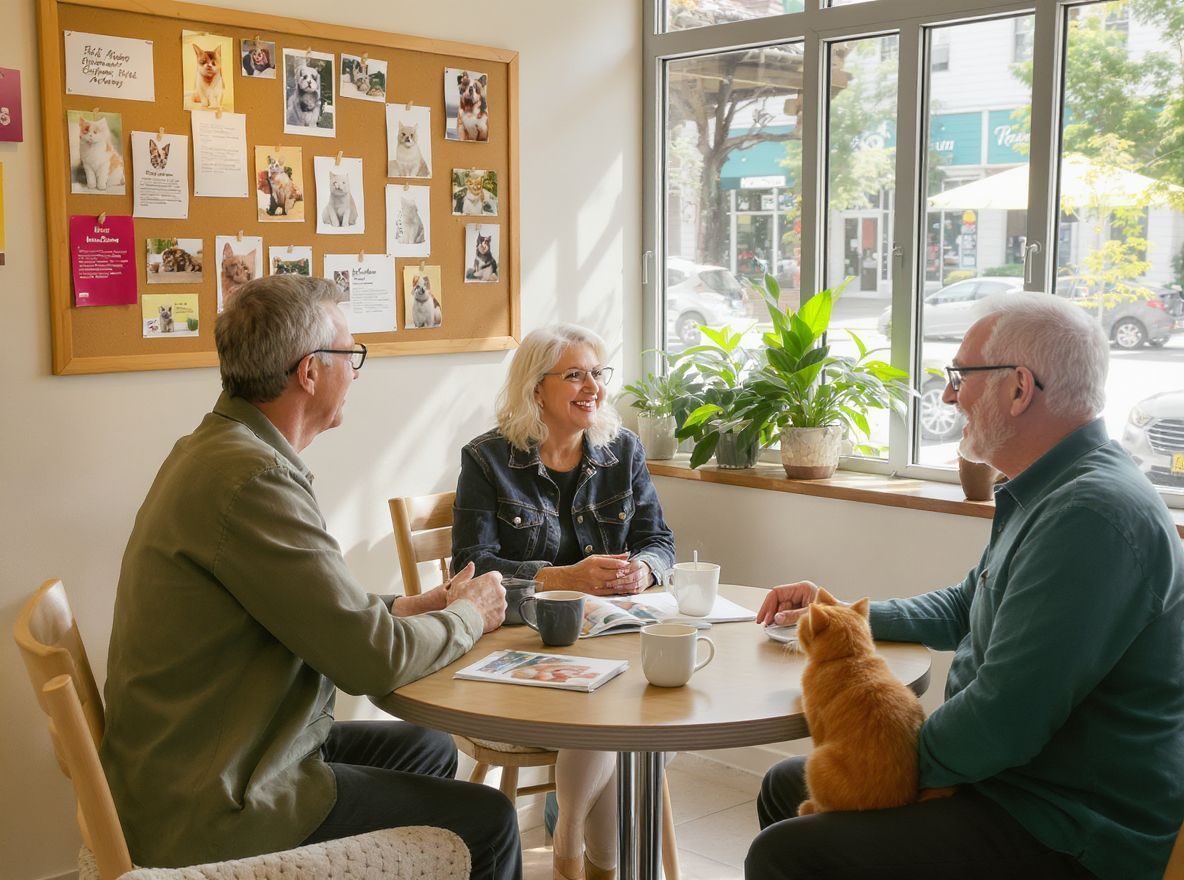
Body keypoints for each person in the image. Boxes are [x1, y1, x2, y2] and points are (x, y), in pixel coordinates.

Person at [746, 291, 1184, 880]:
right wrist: (839, 617)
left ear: (1019, 388)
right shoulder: (1055, 489)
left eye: (960, 377)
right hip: (1019, 784)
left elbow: (1002, 719)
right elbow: (966, 603)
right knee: (788, 785)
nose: (950, 396)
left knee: (788, 852)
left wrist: (888, 765)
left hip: (1067, 825)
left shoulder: (1089, 515)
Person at [101, 275, 521, 880]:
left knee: (427, 748)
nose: (355, 371)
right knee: (489, 821)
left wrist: (409, 605)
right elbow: (368, 661)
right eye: (351, 356)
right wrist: (468, 615)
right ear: (309, 372)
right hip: (219, 798)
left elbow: (306, 605)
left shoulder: (217, 448)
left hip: (199, 759)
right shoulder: (253, 481)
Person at [452, 324, 676, 880]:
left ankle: (570, 837)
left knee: (648, 699)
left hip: (612, 638)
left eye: (597, 373)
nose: (592, 386)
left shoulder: (621, 450)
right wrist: (563, 578)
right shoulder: (487, 459)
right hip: (520, 650)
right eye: (574, 374)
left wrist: (643, 571)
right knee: (622, 712)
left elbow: (659, 542)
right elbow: (471, 569)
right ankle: (582, 845)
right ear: (536, 388)